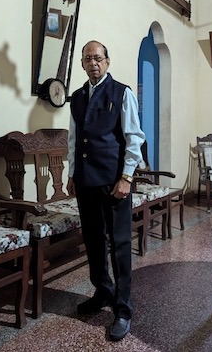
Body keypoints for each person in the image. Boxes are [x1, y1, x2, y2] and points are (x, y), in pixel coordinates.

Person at [67, 40, 145, 341]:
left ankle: (123, 308)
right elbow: (74, 138)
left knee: (120, 243)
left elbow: (134, 138)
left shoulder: (122, 93)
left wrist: (126, 177)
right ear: (82, 64)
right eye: (88, 59)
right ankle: (102, 290)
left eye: (98, 58)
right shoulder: (77, 97)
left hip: (114, 182)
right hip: (86, 181)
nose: (93, 63)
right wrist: (72, 174)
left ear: (107, 61)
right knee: (93, 240)